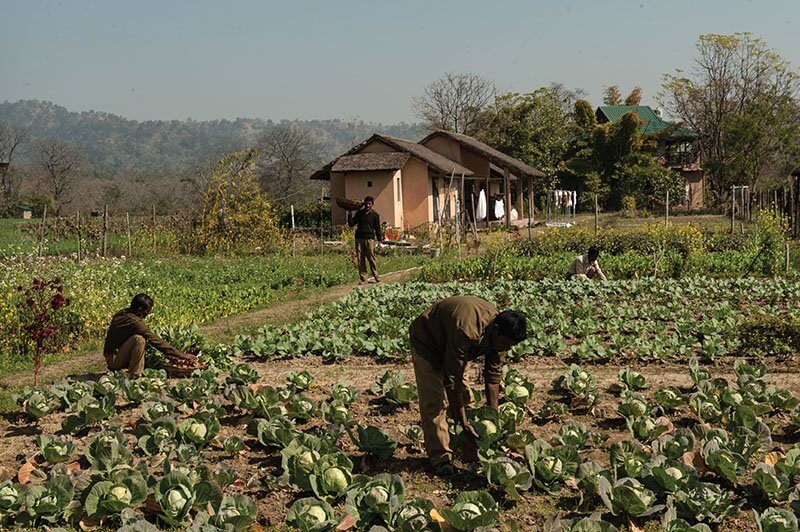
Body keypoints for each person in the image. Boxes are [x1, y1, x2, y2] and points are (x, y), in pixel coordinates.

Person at [409, 296, 528, 476]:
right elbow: (452, 381)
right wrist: (462, 422)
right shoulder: (467, 330)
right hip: (428, 342)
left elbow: (493, 378)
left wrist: (493, 417)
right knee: (434, 403)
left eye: (509, 346)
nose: (506, 348)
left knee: (466, 399)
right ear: (495, 330)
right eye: (504, 344)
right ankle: (440, 459)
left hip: (455, 347)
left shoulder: (500, 336)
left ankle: (471, 453)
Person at [103, 293, 195, 378]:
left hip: (115, 354)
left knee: (139, 338)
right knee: (139, 340)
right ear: (140, 310)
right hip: (113, 359)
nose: (148, 313)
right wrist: (181, 355)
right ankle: (135, 375)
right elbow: (155, 340)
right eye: (147, 311)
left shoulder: (124, 313)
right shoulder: (134, 322)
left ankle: (131, 370)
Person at [347, 196, 383, 284]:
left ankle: (376, 275)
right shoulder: (359, 214)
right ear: (364, 204)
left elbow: (378, 229)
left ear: (372, 205)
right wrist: (349, 215)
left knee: (371, 257)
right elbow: (352, 224)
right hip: (359, 238)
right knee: (360, 258)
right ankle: (363, 278)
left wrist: (379, 241)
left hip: (370, 239)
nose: (367, 205)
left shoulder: (375, 215)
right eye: (366, 204)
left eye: (369, 204)